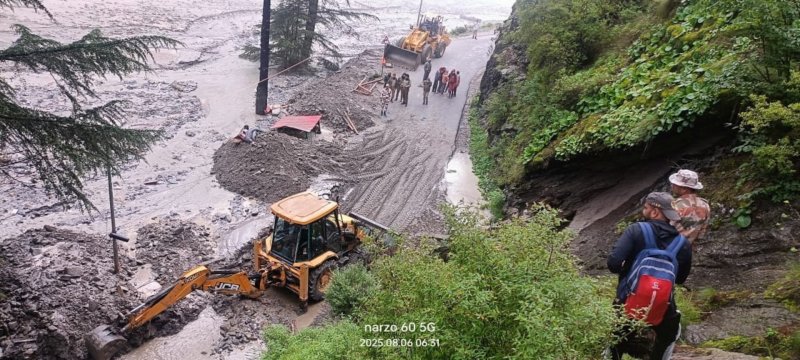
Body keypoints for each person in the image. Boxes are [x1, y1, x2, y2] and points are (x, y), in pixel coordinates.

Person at [607, 192, 692, 360]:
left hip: (627, 302)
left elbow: (613, 263)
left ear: (655, 212)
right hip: (663, 306)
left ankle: (613, 355)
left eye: (646, 207)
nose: (643, 210)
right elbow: (680, 279)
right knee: (670, 333)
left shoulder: (636, 230)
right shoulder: (683, 243)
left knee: (614, 338)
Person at [669, 169, 710, 244]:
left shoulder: (675, 205)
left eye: (675, 184)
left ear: (684, 189)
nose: (672, 186)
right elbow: (702, 232)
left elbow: (666, 229)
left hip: (674, 246)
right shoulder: (705, 205)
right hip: (691, 248)